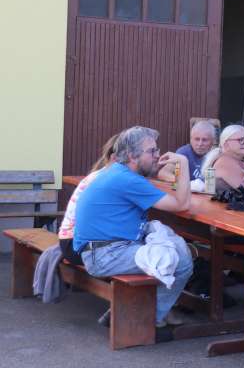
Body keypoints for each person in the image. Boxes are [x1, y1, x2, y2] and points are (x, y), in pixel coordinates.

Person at [72, 126, 194, 328]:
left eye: (157, 149)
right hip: (105, 255)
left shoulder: (118, 172)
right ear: (132, 156)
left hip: (101, 250)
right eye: (151, 151)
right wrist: (183, 162)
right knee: (181, 260)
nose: (157, 155)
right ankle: (145, 321)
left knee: (172, 246)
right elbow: (182, 204)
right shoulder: (128, 180)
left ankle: (127, 311)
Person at [58, 133, 120, 266]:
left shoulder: (101, 173)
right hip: (78, 246)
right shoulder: (110, 179)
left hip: (69, 241)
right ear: (115, 158)